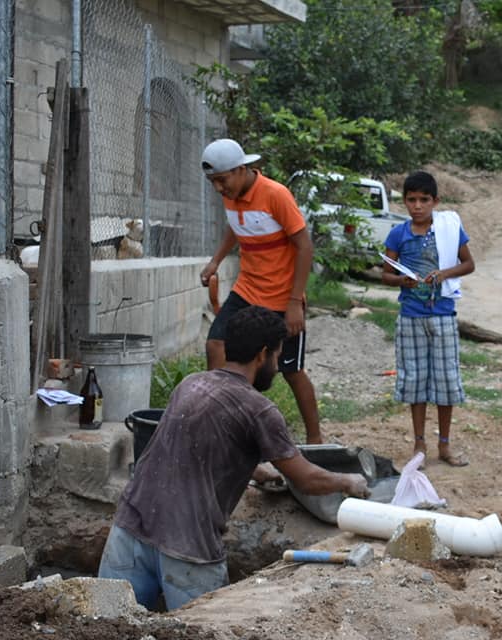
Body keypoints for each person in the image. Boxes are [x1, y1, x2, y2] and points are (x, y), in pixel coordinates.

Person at [98, 306, 369, 610]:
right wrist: (348, 481)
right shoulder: (259, 410)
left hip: (129, 529)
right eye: (277, 357)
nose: (278, 368)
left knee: (104, 623)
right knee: (201, 629)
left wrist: (256, 470)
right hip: (189, 550)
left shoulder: (192, 383)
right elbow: (305, 478)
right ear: (262, 355)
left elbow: (195, 446)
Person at [198, 138, 323, 445]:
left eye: (221, 180)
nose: (218, 189)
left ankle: (316, 439)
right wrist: (215, 261)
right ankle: (221, 425)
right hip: (247, 290)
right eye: (213, 182)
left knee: (291, 371)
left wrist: (295, 302)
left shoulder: (275, 194)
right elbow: (235, 226)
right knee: (216, 344)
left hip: (283, 297)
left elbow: (304, 246)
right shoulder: (232, 194)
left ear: (241, 170)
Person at [382, 171, 475, 467]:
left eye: (424, 200)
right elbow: (385, 272)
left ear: (436, 201)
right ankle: (419, 444)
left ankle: (444, 444)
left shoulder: (448, 230)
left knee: (446, 380)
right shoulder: (399, 234)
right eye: (412, 200)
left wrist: (444, 274)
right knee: (415, 381)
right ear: (404, 202)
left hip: (443, 315)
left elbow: (469, 263)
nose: (418, 206)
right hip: (410, 316)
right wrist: (401, 281)